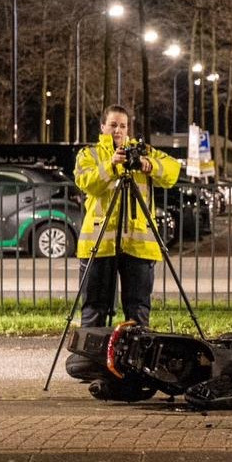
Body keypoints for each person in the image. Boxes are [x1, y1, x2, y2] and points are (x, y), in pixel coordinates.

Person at [73, 104, 181, 330]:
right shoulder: (89, 154)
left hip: (138, 244)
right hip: (99, 243)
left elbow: (172, 171)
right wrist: (111, 165)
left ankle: (134, 361)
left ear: (128, 129)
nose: (117, 131)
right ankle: (92, 361)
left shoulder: (142, 152)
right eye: (112, 125)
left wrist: (147, 165)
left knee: (138, 309)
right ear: (103, 127)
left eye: (122, 126)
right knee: (94, 307)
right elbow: (86, 182)